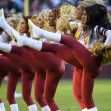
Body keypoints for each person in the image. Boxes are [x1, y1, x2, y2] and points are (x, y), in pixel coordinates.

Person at [10, 4, 111, 111]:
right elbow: (72, 25)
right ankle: (25, 41)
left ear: (93, 15)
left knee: (69, 41)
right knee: (86, 99)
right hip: (87, 64)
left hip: (91, 61)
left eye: (86, 14)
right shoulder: (87, 27)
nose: (84, 16)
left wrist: (103, 47)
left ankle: (38, 34)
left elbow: (110, 33)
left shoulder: (97, 28)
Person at [0, 9, 65, 111]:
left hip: (44, 64)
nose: (37, 22)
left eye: (40, 19)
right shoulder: (34, 34)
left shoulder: (46, 32)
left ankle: (4, 25)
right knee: (40, 98)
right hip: (38, 67)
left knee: (20, 46)